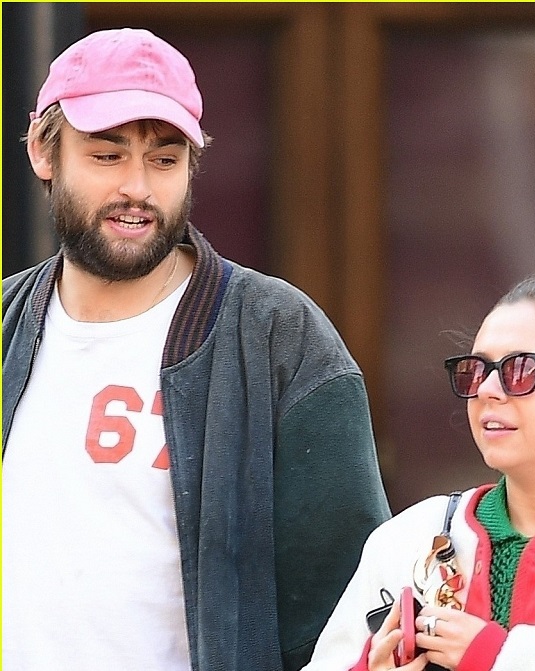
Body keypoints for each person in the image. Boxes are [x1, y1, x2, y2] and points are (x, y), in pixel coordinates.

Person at [2, 28, 391, 671]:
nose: (139, 189)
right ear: (46, 153)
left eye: (164, 158)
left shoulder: (277, 338)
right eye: (107, 156)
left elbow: (350, 613)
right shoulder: (8, 325)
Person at [302, 276, 535, 671]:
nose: (487, 389)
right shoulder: (406, 539)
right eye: (476, 369)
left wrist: (496, 658)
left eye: (521, 369)